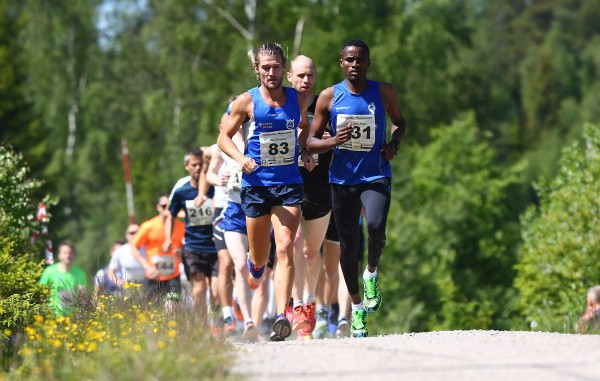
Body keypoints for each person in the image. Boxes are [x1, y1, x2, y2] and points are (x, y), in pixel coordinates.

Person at [307, 39, 407, 338]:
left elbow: (400, 123)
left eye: (360, 59)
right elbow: (310, 142)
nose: (355, 64)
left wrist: (393, 144)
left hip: (375, 174)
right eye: (349, 59)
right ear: (341, 63)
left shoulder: (384, 91)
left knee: (376, 226)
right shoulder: (328, 97)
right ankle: (357, 308)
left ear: (368, 62)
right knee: (348, 250)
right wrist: (332, 142)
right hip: (341, 180)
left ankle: (372, 273)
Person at [217, 42, 315, 341]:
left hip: (288, 184)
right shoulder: (247, 102)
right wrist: (242, 158)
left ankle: (283, 314)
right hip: (256, 186)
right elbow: (223, 137)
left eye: (276, 67)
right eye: (265, 68)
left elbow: (303, 126)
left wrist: (304, 150)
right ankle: (256, 268)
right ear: (257, 69)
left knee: (286, 245)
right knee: (259, 256)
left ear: (284, 68)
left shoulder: (298, 98)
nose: (271, 72)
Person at [286, 55, 333, 338]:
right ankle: (298, 305)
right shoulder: (280, 105)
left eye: (310, 75)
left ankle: (310, 300)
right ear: (290, 77)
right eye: (300, 75)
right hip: (288, 184)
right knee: (293, 242)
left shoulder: (326, 106)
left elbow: (340, 139)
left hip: (320, 184)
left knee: (312, 252)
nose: (305, 80)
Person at [164, 149, 218, 322]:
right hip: (193, 246)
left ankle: (218, 322)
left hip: (216, 244)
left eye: (201, 164)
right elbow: (170, 216)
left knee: (216, 290)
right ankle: (201, 326)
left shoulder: (215, 188)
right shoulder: (181, 191)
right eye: (194, 164)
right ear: (186, 166)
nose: (197, 168)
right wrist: (168, 239)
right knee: (199, 289)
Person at [131, 194, 185, 313]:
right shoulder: (149, 226)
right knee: (151, 311)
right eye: (164, 206)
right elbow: (134, 247)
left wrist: (180, 252)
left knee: (171, 307)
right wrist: (147, 266)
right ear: (158, 207)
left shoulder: (181, 227)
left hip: (173, 275)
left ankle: (171, 328)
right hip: (153, 275)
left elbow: (186, 250)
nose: (167, 209)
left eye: (170, 206)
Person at [40, 241, 88, 316]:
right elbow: (40, 293)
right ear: (59, 255)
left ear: (74, 255)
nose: (68, 255)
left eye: (70, 253)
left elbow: (84, 297)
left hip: (73, 318)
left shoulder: (80, 273)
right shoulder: (49, 271)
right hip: (53, 317)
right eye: (65, 253)